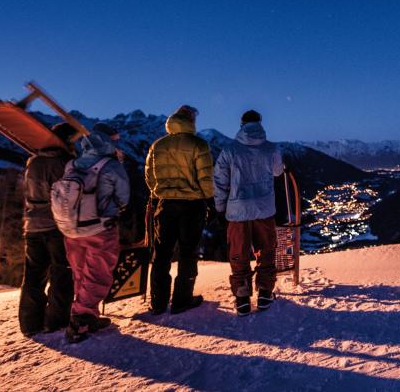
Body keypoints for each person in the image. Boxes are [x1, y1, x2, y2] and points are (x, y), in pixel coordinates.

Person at [62, 123, 130, 343]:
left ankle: (87, 314)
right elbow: (123, 198)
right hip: (100, 227)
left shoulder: (72, 164)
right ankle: (81, 321)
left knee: (80, 272)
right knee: (98, 273)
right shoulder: (111, 165)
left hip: (72, 228)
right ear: (109, 140)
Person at [144, 105, 215, 315]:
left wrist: (158, 195)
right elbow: (206, 178)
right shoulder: (198, 145)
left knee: (161, 253)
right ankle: (182, 300)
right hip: (192, 206)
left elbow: (150, 177)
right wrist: (210, 201)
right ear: (191, 120)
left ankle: (158, 302)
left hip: (165, 205)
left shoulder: (157, 145)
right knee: (188, 252)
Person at [213, 110, 284, 316]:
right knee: (267, 250)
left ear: (241, 124)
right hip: (264, 209)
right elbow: (278, 171)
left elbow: (219, 182)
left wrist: (220, 208)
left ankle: (242, 297)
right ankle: (264, 293)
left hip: (237, 211)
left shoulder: (229, 150)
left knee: (238, 253)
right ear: (260, 123)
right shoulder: (272, 148)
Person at [19, 122, 77, 336]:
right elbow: (69, 196)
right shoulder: (64, 163)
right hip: (56, 226)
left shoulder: (33, 162)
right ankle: (56, 320)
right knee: (62, 272)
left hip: (33, 225)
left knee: (33, 275)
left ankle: (29, 323)